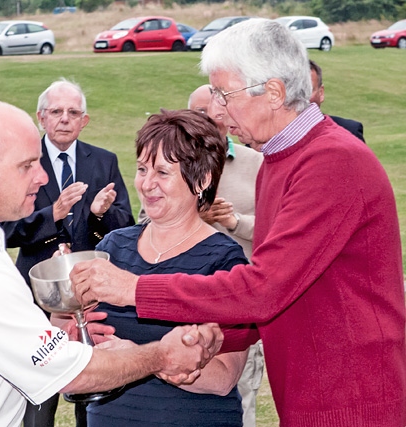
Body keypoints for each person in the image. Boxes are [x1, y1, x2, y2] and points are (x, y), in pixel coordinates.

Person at [70, 18, 406, 427]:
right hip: (313, 395)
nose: (216, 109)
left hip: (352, 401)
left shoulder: (332, 161)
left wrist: (132, 288)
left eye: (224, 94)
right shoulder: (280, 162)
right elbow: (275, 300)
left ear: (274, 92)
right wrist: (211, 339)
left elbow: (264, 289)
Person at [0, 99, 225, 427]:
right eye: (26, 165)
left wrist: (51, 332)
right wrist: (161, 354)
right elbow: (73, 375)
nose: (41, 176)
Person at [86, 108, 250, 427]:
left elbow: (223, 377)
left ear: (201, 180)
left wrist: (137, 358)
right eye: (142, 169)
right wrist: (72, 329)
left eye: (162, 172)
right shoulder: (112, 247)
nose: (147, 184)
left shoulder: (225, 261)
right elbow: (77, 332)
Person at [1, 78, 134, 427]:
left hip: (91, 295)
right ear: (41, 118)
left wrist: (99, 214)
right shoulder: (22, 163)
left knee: (90, 393)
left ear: (84, 120)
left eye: (73, 112)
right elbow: (5, 229)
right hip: (35, 298)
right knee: (36, 396)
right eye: (56, 112)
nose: (64, 118)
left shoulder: (104, 161)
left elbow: (126, 227)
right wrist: (52, 215)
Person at [188, 84, 264, 427]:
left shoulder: (257, 163)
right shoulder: (175, 166)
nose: (203, 120)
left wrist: (234, 222)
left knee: (241, 395)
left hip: (241, 303)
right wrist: (195, 218)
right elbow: (146, 225)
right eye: (195, 113)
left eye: (210, 112)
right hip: (187, 301)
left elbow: (276, 226)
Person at [309, 59, 365, 142]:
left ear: (321, 93)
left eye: (307, 91)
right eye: (294, 91)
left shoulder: (349, 132)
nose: (300, 98)